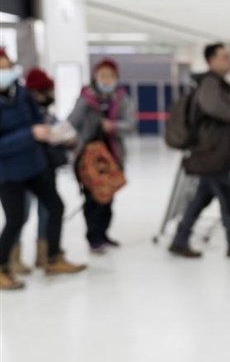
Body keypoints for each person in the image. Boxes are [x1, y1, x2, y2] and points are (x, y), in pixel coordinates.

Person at [0, 49, 86, 290]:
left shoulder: (22, 93)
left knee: (55, 206)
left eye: (6, 67)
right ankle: (2, 267)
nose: (4, 72)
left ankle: (53, 257)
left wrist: (60, 134)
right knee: (16, 219)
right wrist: (29, 134)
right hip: (8, 171)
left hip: (35, 164)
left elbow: (39, 120)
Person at [169, 43, 230, 258]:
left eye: (229, 57)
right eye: (223, 57)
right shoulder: (211, 83)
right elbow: (214, 109)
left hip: (214, 152)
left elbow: (215, 120)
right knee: (227, 198)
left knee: (202, 198)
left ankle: (180, 239)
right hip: (212, 154)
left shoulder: (216, 84)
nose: (228, 61)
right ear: (210, 61)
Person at [7, 68, 72, 275]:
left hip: (41, 166)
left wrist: (60, 136)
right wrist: (31, 135)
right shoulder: (14, 103)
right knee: (18, 215)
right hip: (14, 171)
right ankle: (10, 259)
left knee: (51, 209)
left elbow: (46, 128)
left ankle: (47, 255)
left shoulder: (29, 103)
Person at [69, 58, 136, 253]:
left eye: (110, 76)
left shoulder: (122, 99)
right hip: (88, 158)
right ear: (95, 76)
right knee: (92, 198)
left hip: (112, 157)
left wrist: (113, 127)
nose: (106, 80)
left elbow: (130, 125)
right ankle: (93, 237)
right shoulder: (85, 100)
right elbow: (72, 122)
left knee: (108, 197)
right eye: (102, 76)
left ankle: (104, 234)